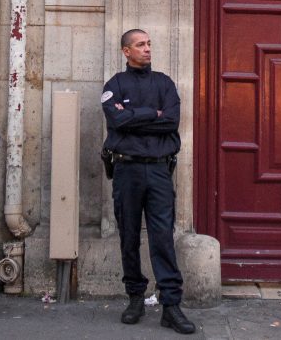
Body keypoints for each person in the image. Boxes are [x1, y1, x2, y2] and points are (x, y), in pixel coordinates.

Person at [101, 29, 196, 335]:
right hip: (126, 171)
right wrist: (149, 114)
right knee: (128, 235)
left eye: (149, 44)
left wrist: (133, 116)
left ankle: (171, 305)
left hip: (158, 171)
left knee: (161, 238)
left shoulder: (164, 83)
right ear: (126, 51)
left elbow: (170, 121)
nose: (147, 49)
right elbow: (115, 121)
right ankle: (134, 298)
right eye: (140, 45)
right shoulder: (114, 84)